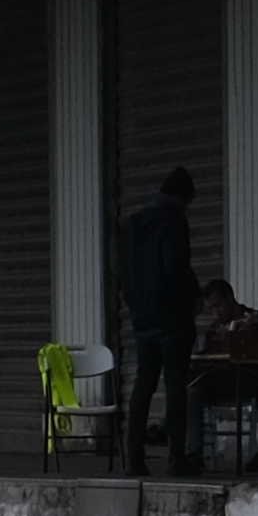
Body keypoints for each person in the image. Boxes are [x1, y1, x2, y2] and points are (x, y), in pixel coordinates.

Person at [106, 163, 197, 464]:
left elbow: (121, 271)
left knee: (144, 383)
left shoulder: (134, 222)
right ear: (184, 197)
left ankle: (133, 456)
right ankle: (176, 457)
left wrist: (134, 303)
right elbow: (177, 267)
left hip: (142, 317)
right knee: (175, 384)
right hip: (172, 317)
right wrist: (190, 299)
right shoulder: (174, 221)